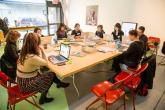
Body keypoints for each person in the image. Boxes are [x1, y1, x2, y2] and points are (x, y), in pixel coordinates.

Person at [16, 33, 70, 105]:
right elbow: (45, 63)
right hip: (27, 84)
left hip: (22, 80)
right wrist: (42, 50)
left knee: (50, 74)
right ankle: (43, 98)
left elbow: (39, 60)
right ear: (36, 44)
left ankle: (59, 84)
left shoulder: (24, 51)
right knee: (50, 75)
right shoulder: (32, 57)